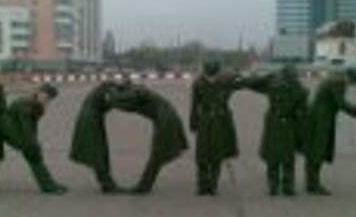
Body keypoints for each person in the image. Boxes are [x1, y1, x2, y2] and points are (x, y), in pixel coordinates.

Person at [109, 81, 188, 194]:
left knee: (157, 155)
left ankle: (143, 186)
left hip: (166, 120)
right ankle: (145, 185)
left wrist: (112, 93)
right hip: (166, 118)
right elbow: (129, 105)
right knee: (158, 155)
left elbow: (132, 97)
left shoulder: (138, 91)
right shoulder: (140, 94)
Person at [245, 66, 309, 196]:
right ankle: (281, 186)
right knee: (278, 156)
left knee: (284, 156)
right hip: (280, 123)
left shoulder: (296, 90)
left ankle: (281, 186)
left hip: (283, 123)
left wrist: (268, 77)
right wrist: (267, 77)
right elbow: (251, 84)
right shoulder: (278, 87)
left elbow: (303, 112)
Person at [190, 60, 246, 196]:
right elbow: (194, 104)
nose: (210, 77)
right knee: (202, 154)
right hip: (205, 120)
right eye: (208, 73)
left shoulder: (225, 82)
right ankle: (203, 185)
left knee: (216, 154)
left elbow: (240, 80)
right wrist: (193, 122)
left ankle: (213, 185)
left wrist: (237, 75)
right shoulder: (198, 84)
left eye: (212, 73)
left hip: (220, 121)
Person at [305, 67, 356, 196]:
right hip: (321, 118)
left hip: (318, 116)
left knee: (315, 148)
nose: (353, 85)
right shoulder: (339, 81)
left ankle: (311, 182)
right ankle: (313, 184)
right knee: (318, 149)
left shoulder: (335, 78)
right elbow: (341, 103)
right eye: (354, 82)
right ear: (352, 78)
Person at [2, 84, 68, 195]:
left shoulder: (34, 104)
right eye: (46, 97)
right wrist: (32, 143)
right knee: (34, 155)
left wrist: (34, 140)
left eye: (49, 99)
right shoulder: (25, 104)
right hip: (11, 132)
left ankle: (49, 184)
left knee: (35, 156)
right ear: (39, 93)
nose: (46, 100)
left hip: (17, 130)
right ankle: (48, 186)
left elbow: (32, 125)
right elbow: (26, 126)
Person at [69, 81, 122, 193]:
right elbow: (111, 101)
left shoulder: (97, 92)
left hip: (89, 120)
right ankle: (107, 184)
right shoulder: (105, 92)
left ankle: (106, 183)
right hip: (91, 122)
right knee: (98, 153)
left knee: (98, 152)